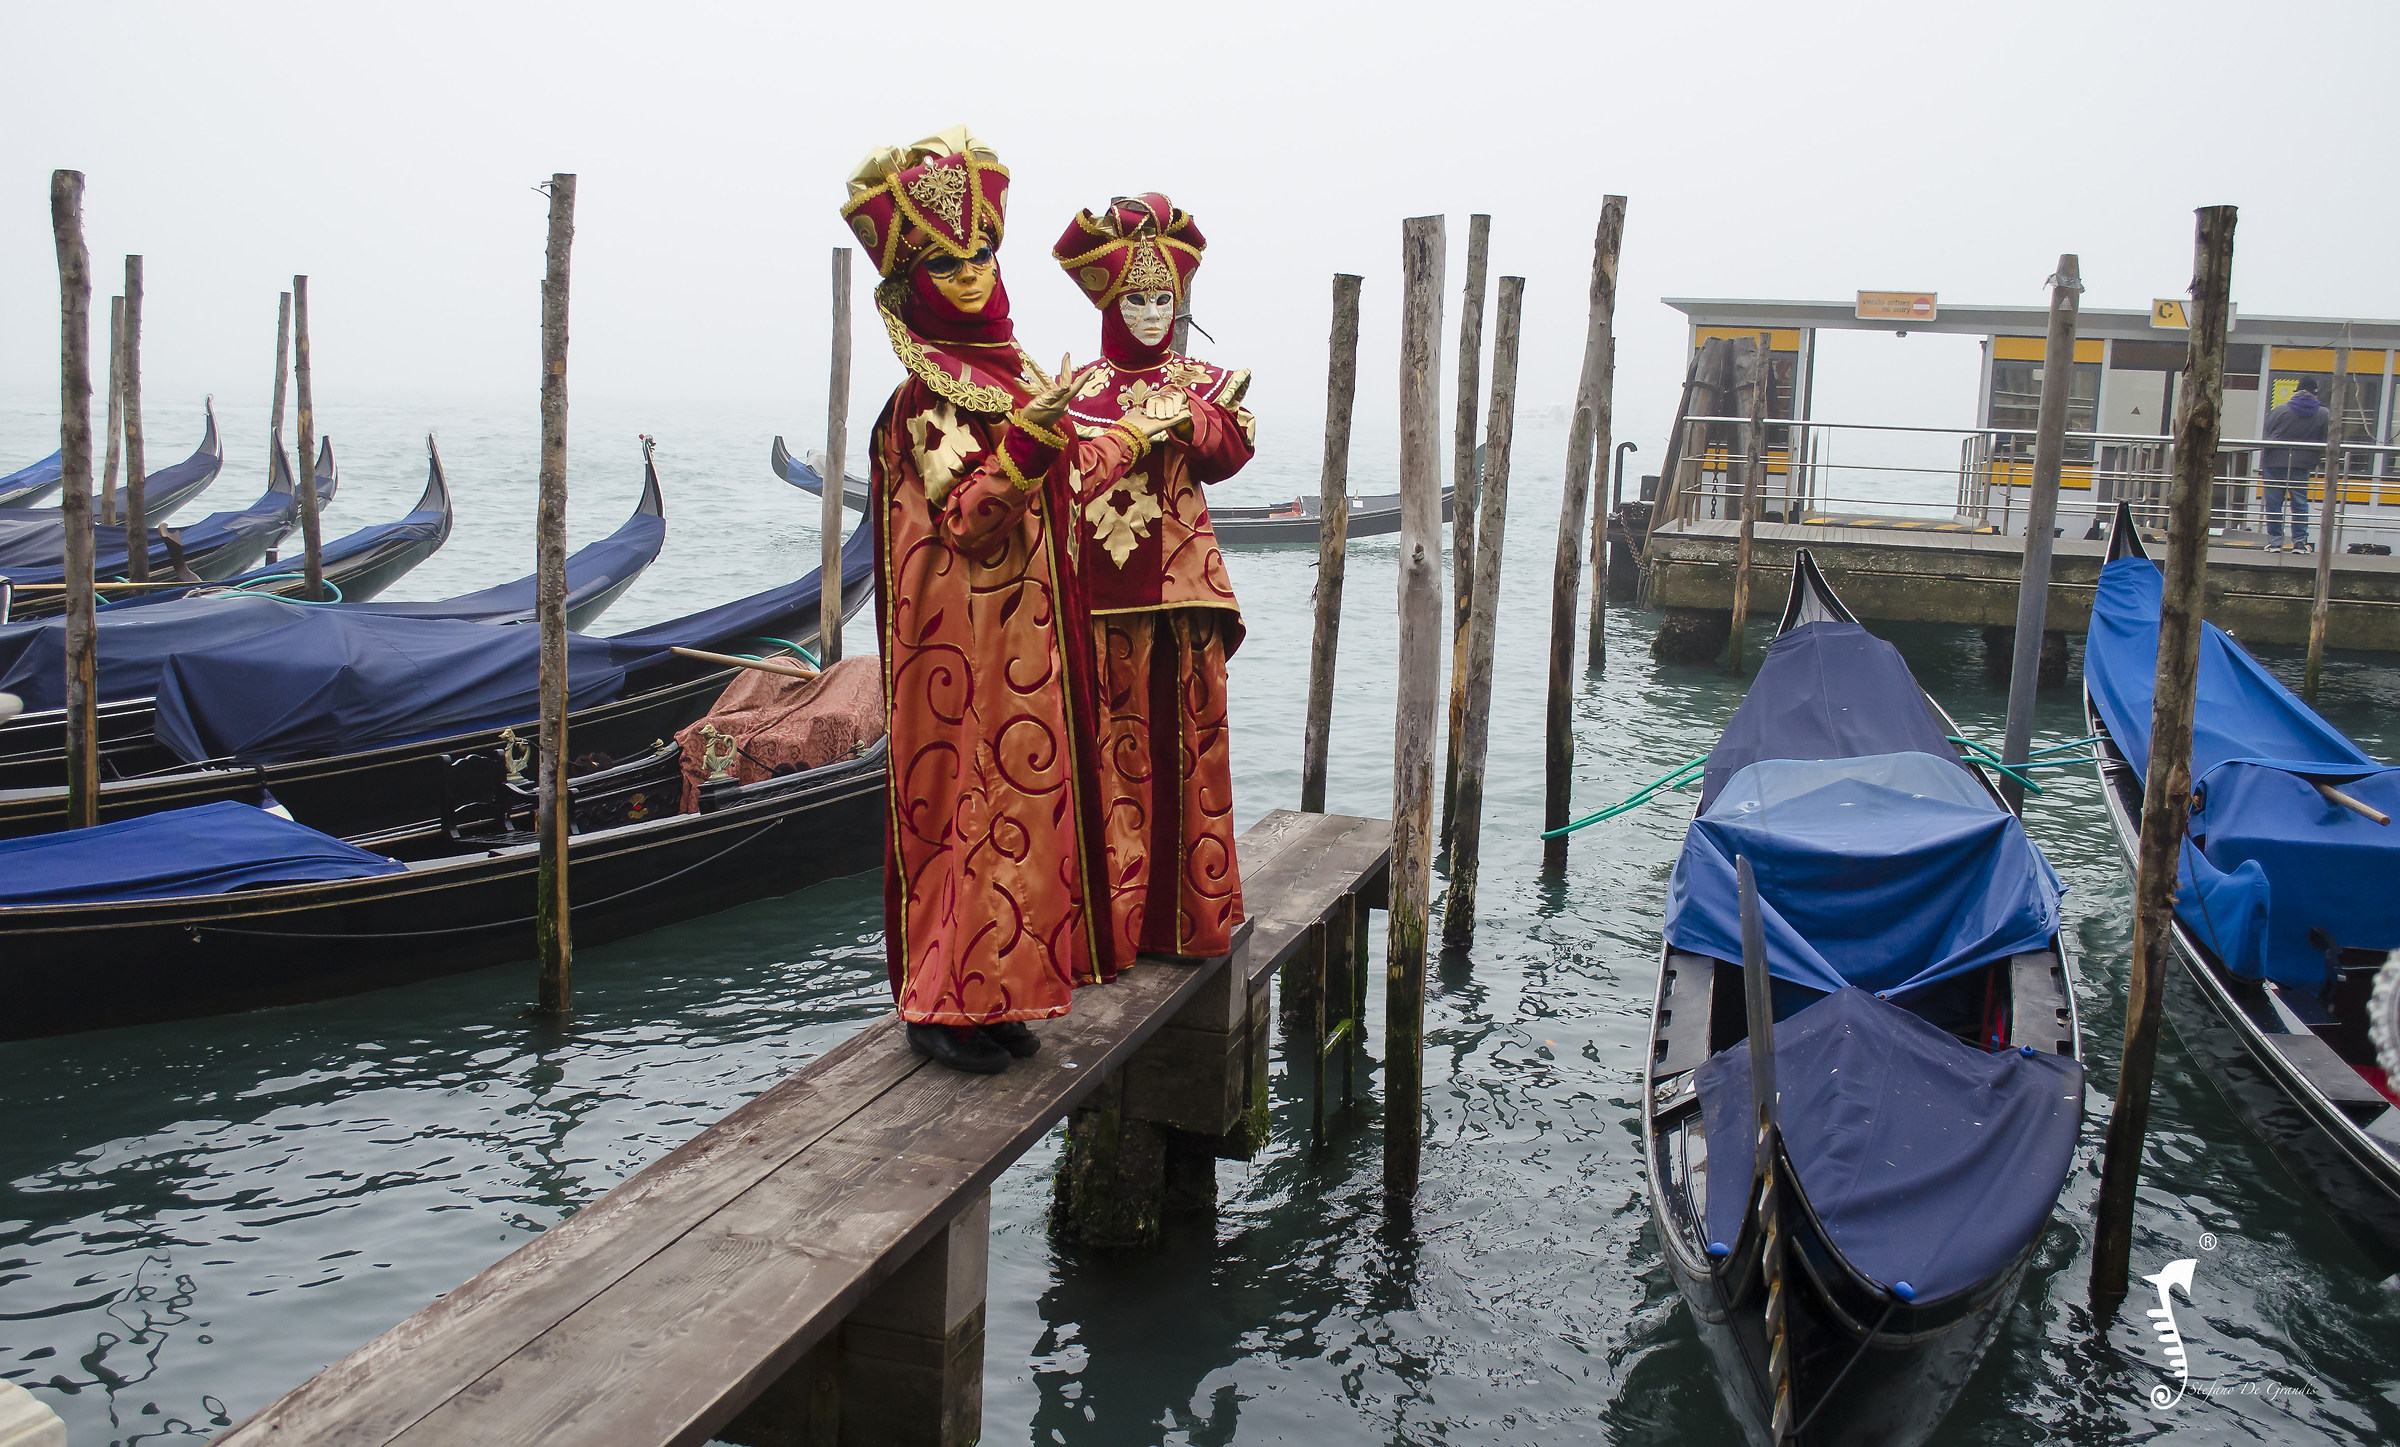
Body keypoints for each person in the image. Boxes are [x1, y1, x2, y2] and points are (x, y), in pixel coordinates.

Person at [841, 129, 1155, 1073]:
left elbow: (1056, 489)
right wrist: (1029, 441)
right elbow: (969, 518)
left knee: (1028, 810)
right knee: (964, 808)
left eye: (982, 253)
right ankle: (941, 1002)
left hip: (1028, 642)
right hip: (959, 649)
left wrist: (1128, 437)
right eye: (947, 259)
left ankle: (1000, 994)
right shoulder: (922, 399)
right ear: (913, 275)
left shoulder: (1013, 372)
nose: (972, 274)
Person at [1051, 194, 1255, 962]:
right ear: (1107, 300)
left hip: (1186, 597)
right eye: (1133, 297)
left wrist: (1186, 420)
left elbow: (1229, 451)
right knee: (1111, 762)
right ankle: (1112, 931)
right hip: (1104, 602)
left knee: (1190, 755)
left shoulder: (1203, 380)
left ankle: (1191, 920)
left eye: (1161, 298)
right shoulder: (1073, 391)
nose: (1148, 312)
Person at [2260, 376, 2329, 552]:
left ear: (2297, 391)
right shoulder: (2323, 413)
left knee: (2274, 503)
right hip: (2302, 464)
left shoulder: (2280, 410)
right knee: (2299, 502)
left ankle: (2275, 542)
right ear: (2315, 393)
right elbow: (2324, 440)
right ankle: (2299, 542)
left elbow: (2267, 431)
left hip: (2274, 462)